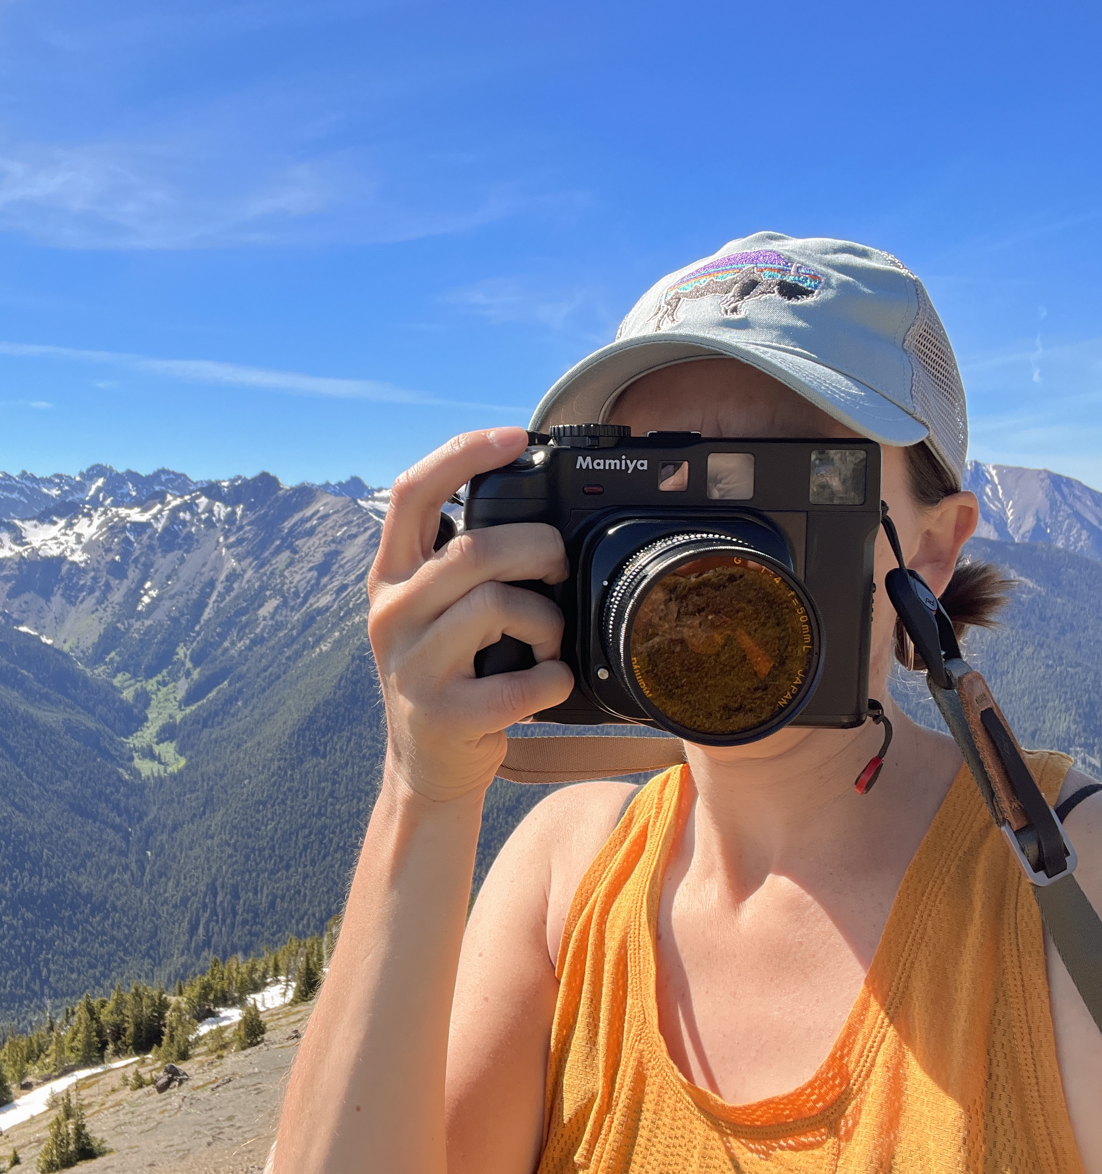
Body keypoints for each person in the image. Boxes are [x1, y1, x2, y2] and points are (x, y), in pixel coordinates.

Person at [272, 234, 1102, 1172]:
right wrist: (421, 791)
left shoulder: (1072, 890)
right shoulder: (564, 878)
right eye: (664, 479)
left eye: (790, 478)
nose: (707, 559)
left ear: (934, 551)